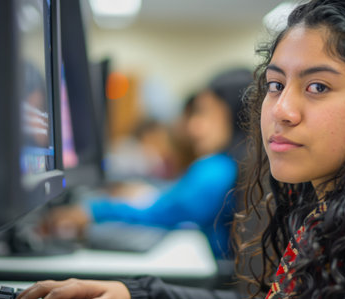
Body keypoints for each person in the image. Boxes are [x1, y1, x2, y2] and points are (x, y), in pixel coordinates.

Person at [17, 0, 345, 299]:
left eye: (317, 87)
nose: (282, 110)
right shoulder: (326, 207)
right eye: (275, 84)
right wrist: (137, 292)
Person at [45, 68, 253, 259]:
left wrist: (91, 211)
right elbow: (178, 200)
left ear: (237, 115)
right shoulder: (236, 164)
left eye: (206, 113)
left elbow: (165, 212)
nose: (193, 126)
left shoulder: (217, 169)